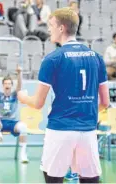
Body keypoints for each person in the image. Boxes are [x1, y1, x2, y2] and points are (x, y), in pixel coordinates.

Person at [18, 7, 109, 183]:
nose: (48, 29)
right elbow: (105, 102)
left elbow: (37, 103)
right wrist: (84, 112)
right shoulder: (96, 58)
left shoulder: (52, 59)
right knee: (90, 179)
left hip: (60, 129)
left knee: (53, 178)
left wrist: (22, 97)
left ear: (61, 28)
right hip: (88, 130)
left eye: (51, 25)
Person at [0, 66, 29, 163]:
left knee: (23, 127)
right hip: (1, 122)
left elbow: (19, 86)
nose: (7, 85)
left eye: (9, 83)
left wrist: (19, 73)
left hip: (13, 123)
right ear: (3, 85)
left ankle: (23, 154)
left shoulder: (14, 95)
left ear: (11, 85)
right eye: (5, 83)